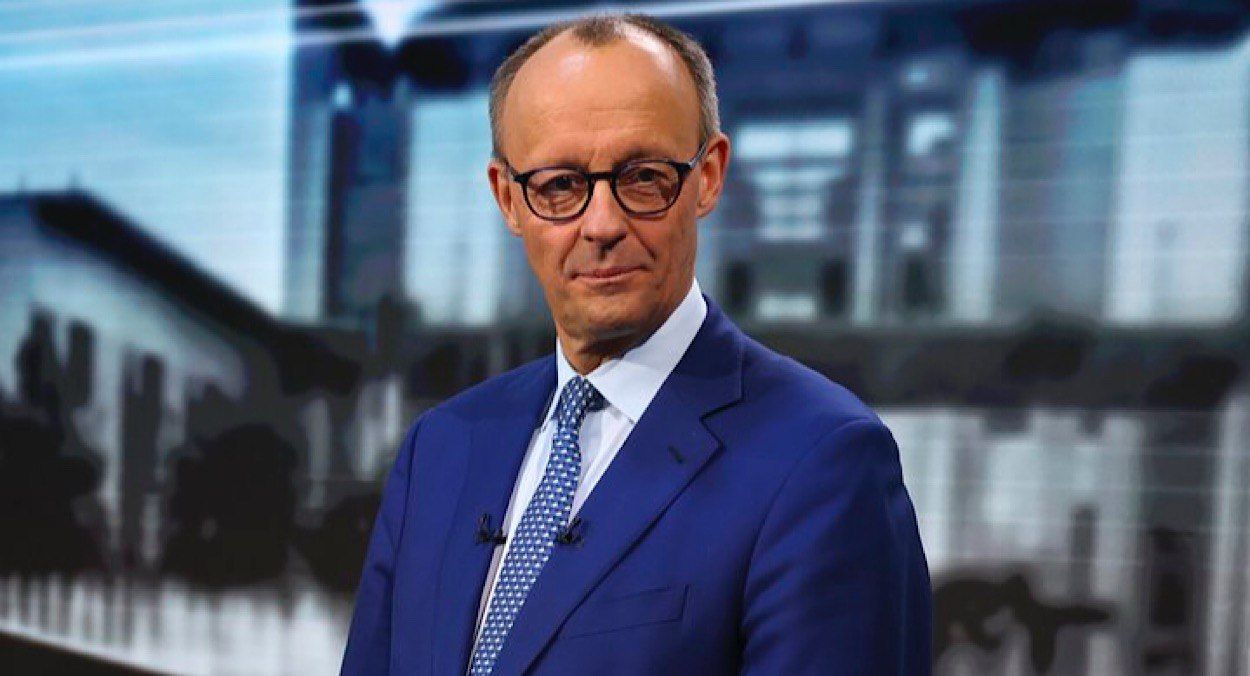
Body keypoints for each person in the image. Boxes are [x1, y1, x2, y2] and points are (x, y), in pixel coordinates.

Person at [341, 13, 931, 675]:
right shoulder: (440, 449)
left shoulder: (825, 464)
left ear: (709, 176)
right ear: (508, 199)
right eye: (559, 185)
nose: (602, 225)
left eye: (643, 177)